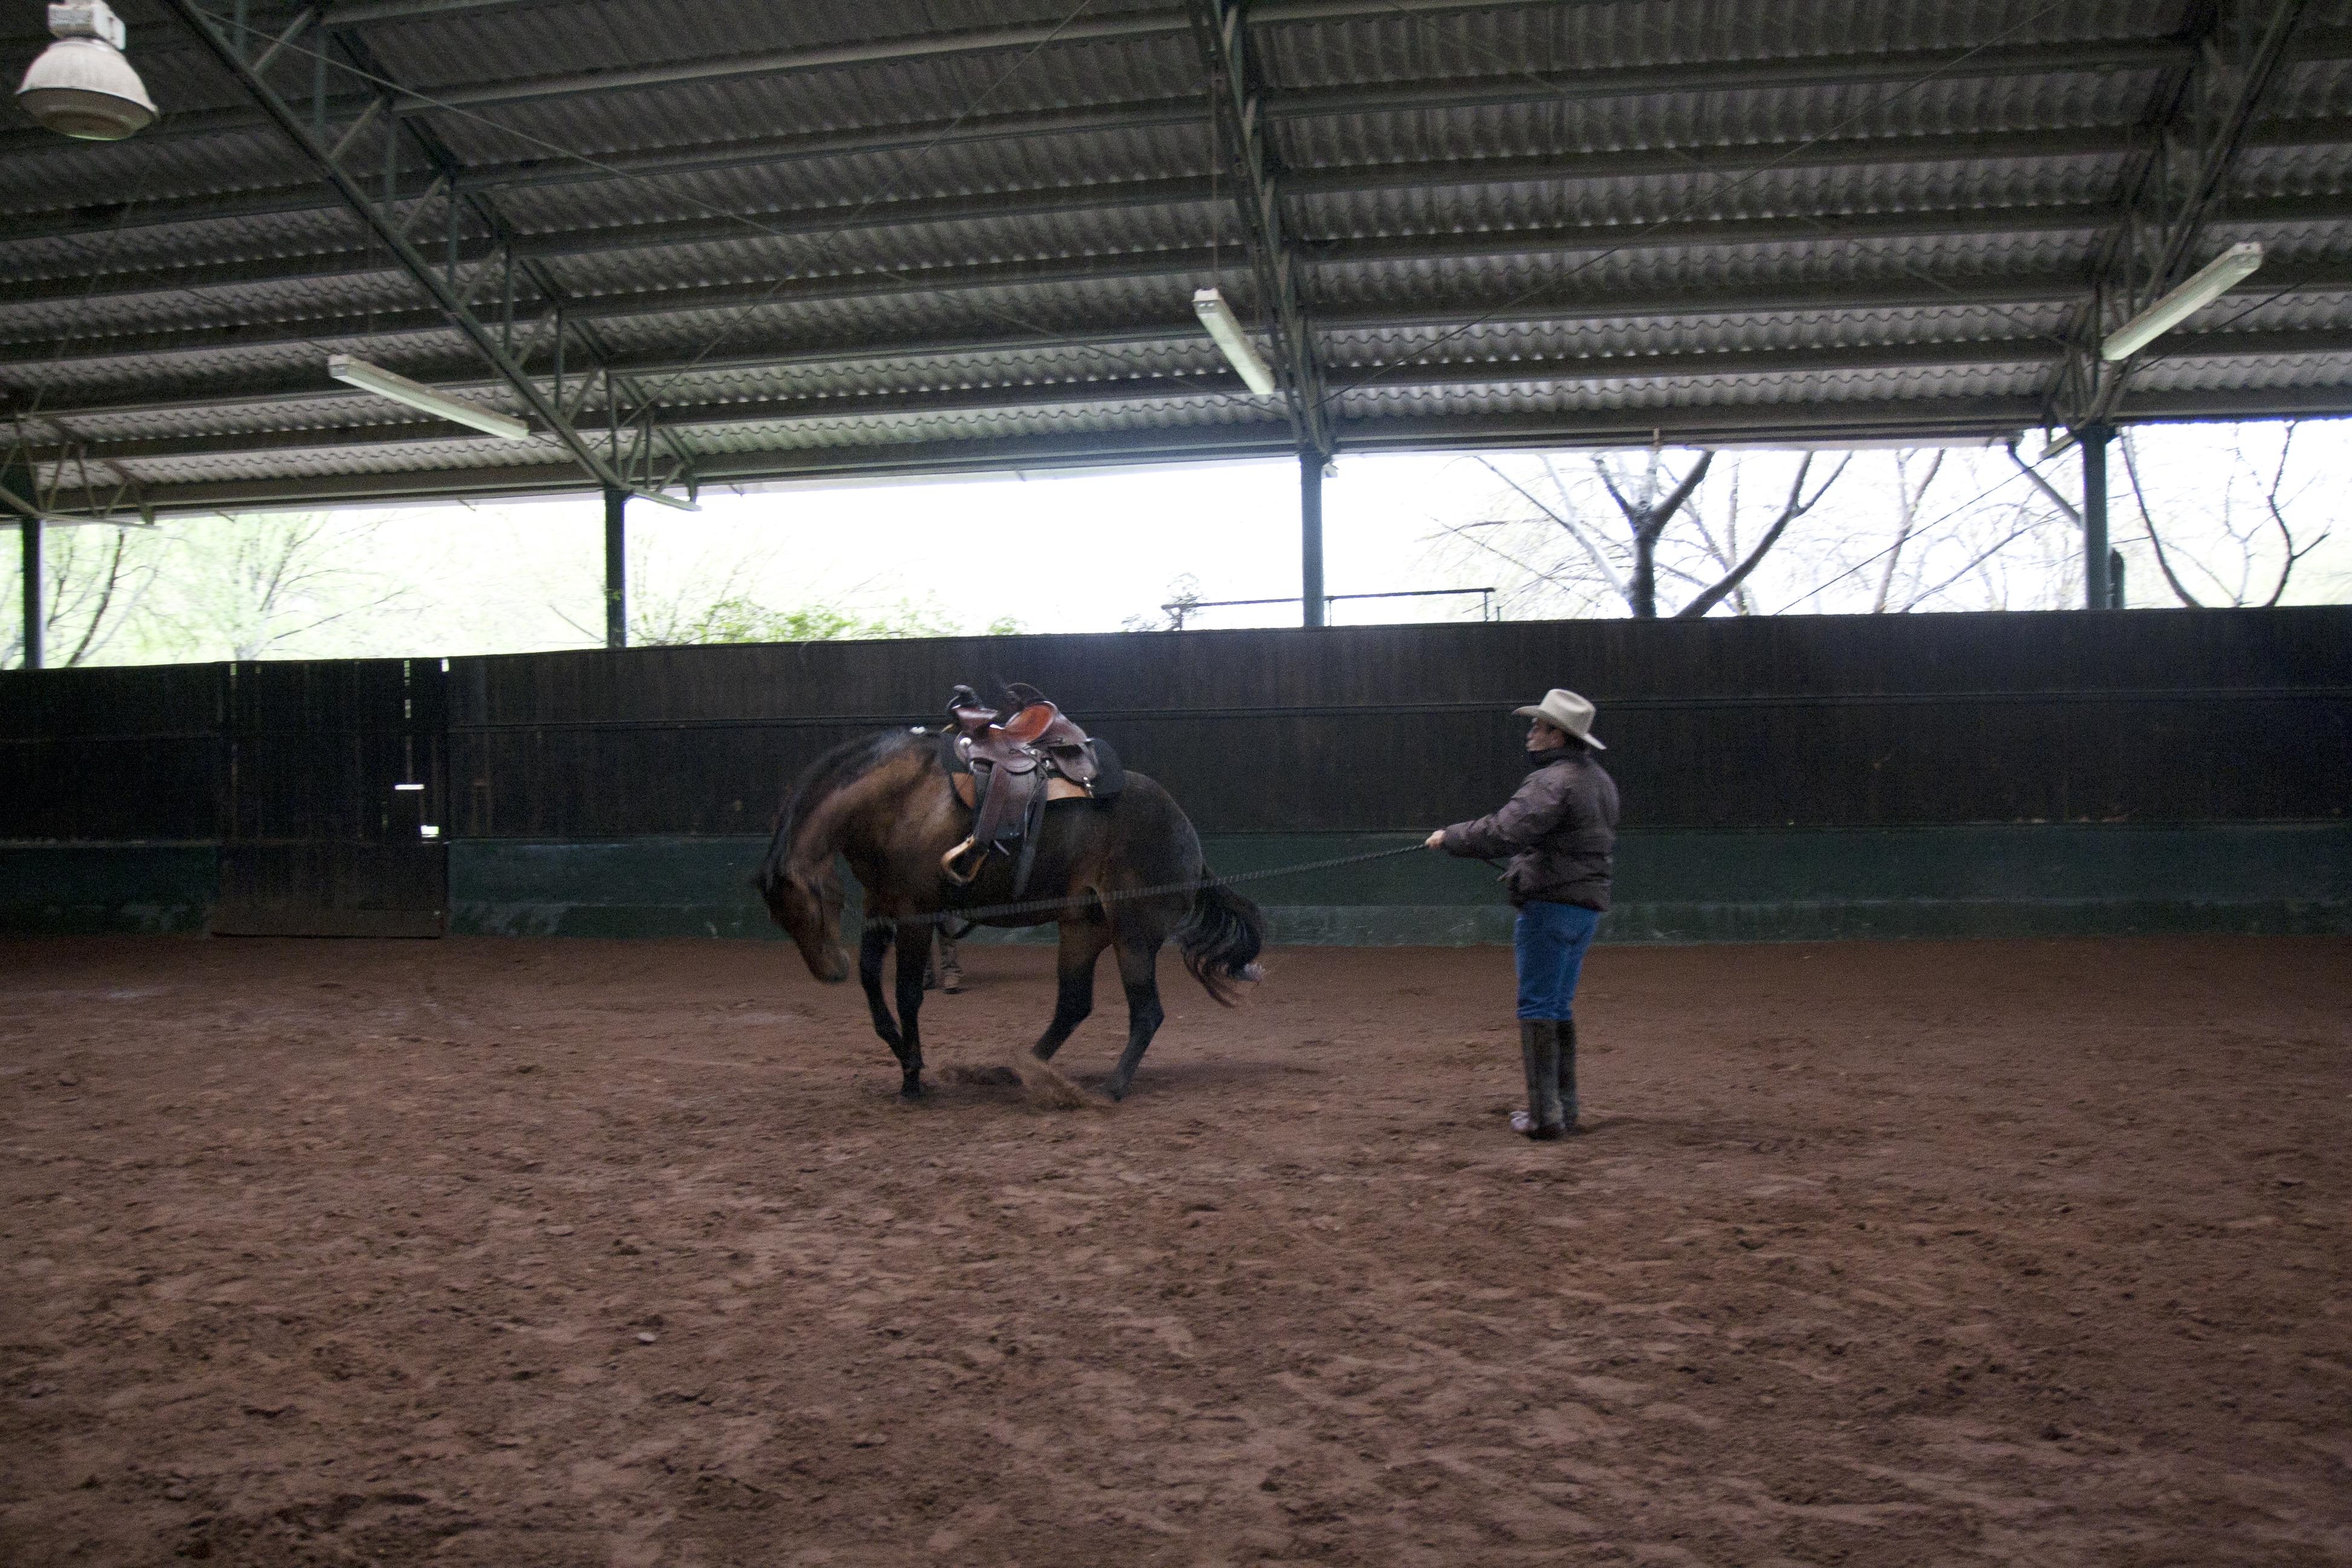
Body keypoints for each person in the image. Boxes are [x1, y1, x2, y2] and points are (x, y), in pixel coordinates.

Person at [1425, 688, 1618, 1140]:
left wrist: (1449, 837)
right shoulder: (1599, 781)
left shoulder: (1553, 782)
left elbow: (1505, 831)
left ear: (1558, 735)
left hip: (1549, 907)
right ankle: (1563, 1109)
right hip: (1583, 908)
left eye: (1538, 726)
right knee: (1557, 1005)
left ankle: (1543, 1117)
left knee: (1536, 1006)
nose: (1531, 734)